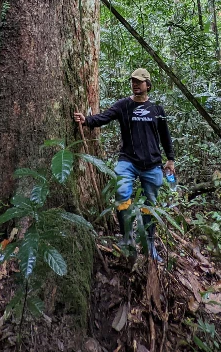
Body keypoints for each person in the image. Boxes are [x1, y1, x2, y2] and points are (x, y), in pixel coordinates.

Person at [74, 68, 175, 261]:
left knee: (150, 205)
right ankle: (127, 240)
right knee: (122, 196)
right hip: (128, 161)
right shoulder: (123, 105)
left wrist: (170, 159)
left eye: (140, 81)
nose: (136, 84)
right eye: (133, 81)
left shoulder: (157, 110)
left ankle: (149, 245)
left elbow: (165, 136)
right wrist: (87, 120)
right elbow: (105, 117)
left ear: (148, 85)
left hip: (153, 164)